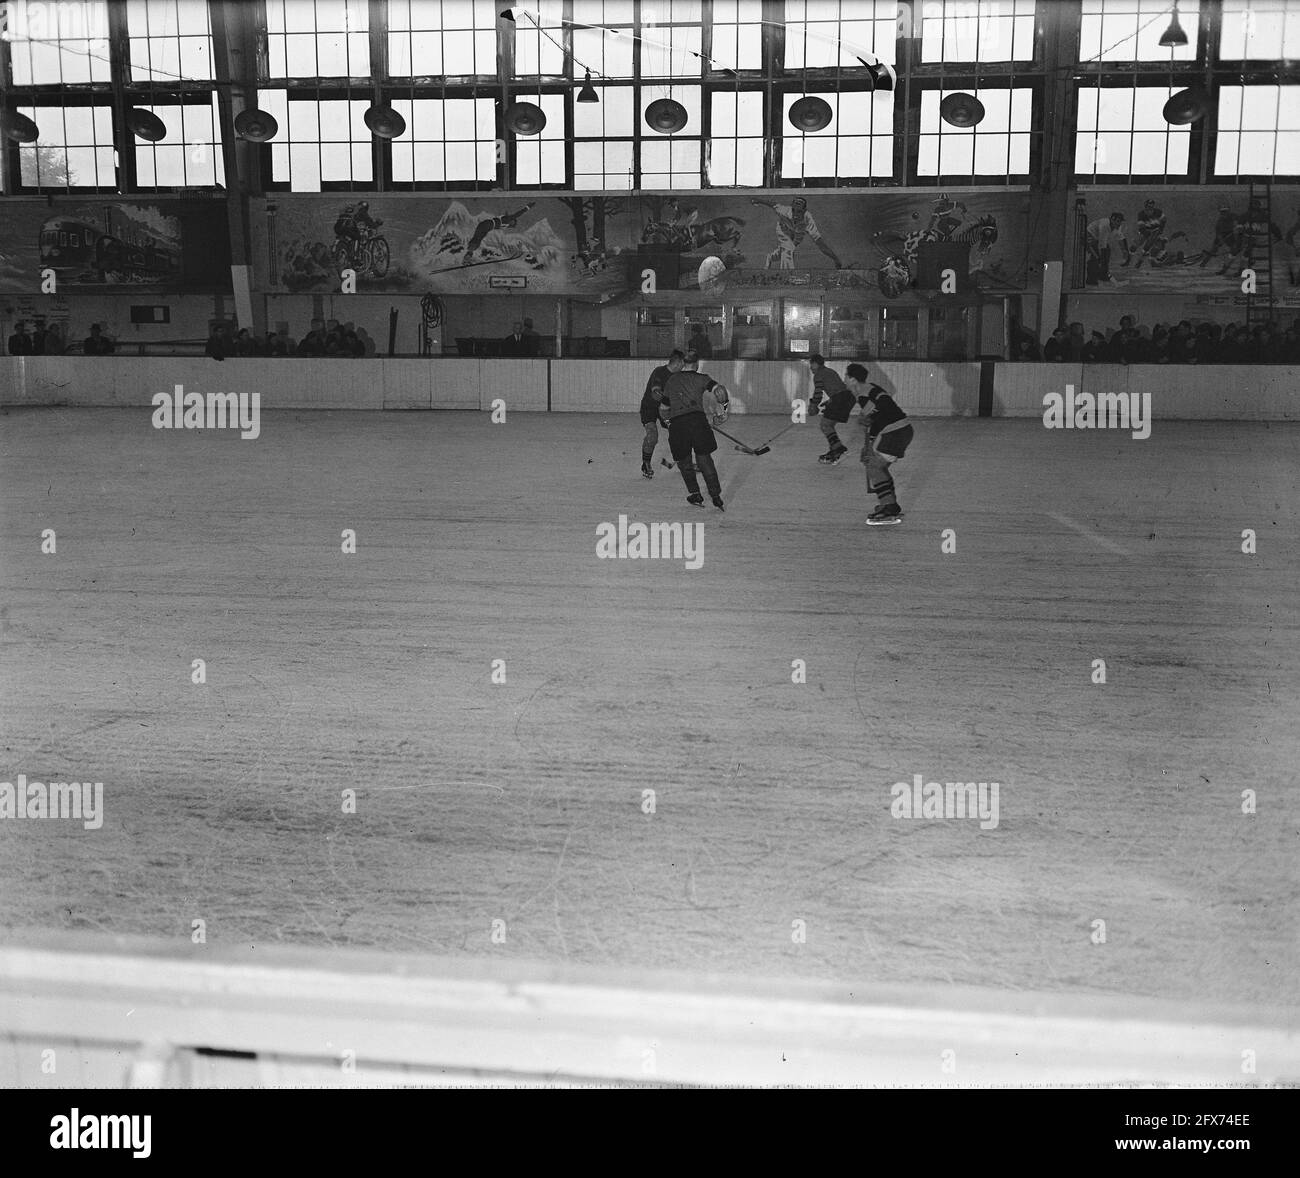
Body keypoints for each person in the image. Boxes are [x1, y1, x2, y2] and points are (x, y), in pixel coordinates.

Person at [660, 350, 730, 510]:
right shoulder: (702, 378)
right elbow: (721, 392)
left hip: (678, 425)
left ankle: (695, 493)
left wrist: (669, 423)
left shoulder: (671, 380)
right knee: (705, 460)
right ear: (697, 364)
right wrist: (723, 412)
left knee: (684, 463)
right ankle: (716, 496)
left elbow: (664, 408)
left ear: (683, 363)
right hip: (698, 422)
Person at [846, 363, 913, 526]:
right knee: (876, 465)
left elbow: (877, 415)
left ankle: (888, 506)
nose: (845, 380)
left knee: (874, 466)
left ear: (853, 379)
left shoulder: (863, 395)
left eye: (846, 377)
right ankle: (889, 504)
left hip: (894, 432)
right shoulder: (870, 388)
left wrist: (866, 425)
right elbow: (880, 410)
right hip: (901, 429)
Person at [751, 196, 843, 270]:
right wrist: (758, 200)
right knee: (788, 248)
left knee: (786, 250)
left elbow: (821, 244)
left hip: (798, 234)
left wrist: (835, 259)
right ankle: (786, 276)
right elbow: (772, 204)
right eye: (793, 210)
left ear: (804, 211)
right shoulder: (784, 211)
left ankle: (770, 257)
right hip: (783, 229)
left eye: (799, 212)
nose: (795, 214)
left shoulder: (808, 220)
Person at [639, 349, 684, 479]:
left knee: (680, 433)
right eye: (683, 364)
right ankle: (646, 463)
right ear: (678, 363)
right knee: (652, 435)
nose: (683, 367)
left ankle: (683, 462)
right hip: (650, 408)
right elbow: (655, 392)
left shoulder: (678, 377)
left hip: (665, 410)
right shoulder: (659, 372)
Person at [807, 354, 854, 465]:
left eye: (811, 365)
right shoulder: (830, 371)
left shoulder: (818, 375)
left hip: (840, 399)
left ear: (815, 363)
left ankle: (838, 449)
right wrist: (830, 401)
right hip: (847, 397)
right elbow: (839, 388)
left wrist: (813, 405)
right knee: (829, 425)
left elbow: (818, 393)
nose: (810, 368)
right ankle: (834, 451)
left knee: (825, 425)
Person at [1085, 211, 1129, 286]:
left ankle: (1103, 275)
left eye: (1120, 222)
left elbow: (1121, 239)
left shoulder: (1117, 226)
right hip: (1089, 235)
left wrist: (1125, 252)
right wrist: (1102, 261)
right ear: (1112, 219)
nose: (1119, 224)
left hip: (1097, 238)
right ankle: (1091, 280)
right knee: (1096, 257)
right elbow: (1102, 246)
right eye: (1118, 221)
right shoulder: (1105, 225)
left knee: (1106, 252)